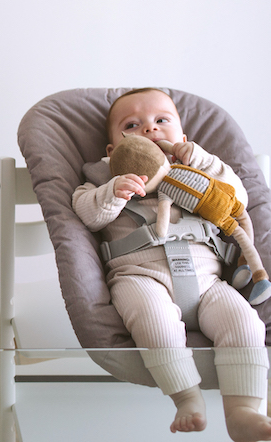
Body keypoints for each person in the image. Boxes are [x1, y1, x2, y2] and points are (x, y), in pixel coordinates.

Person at [72, 88, 271, 442]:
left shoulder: (199, 169)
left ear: (181, 137)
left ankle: (242, 411)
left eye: (161, 121)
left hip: (208, 281)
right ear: (111, 150)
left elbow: (236, 199)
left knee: (246, 325)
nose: (149, 130)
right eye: (132, 125)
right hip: (140, 277)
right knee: (154, 323)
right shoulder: (103, 176)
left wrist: (203, 161)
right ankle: (186, 397)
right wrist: (113, 192)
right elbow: (86, 214)